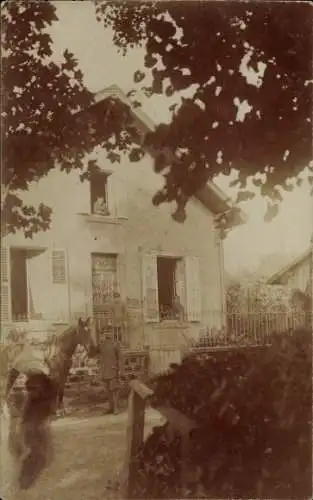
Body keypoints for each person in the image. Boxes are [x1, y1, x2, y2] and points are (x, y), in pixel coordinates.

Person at [99, 332, 121, 414]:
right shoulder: (101, 344)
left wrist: (120, 370)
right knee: (108, 391)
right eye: (105, 332)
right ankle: (110, 407)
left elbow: (121, 358)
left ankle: (116, 408)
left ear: (112, 333)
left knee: (115, 390)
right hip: (104, 371)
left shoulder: (116, 344)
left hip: (113, 370)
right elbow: (92, 352)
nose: (107, 334)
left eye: (109, 332)